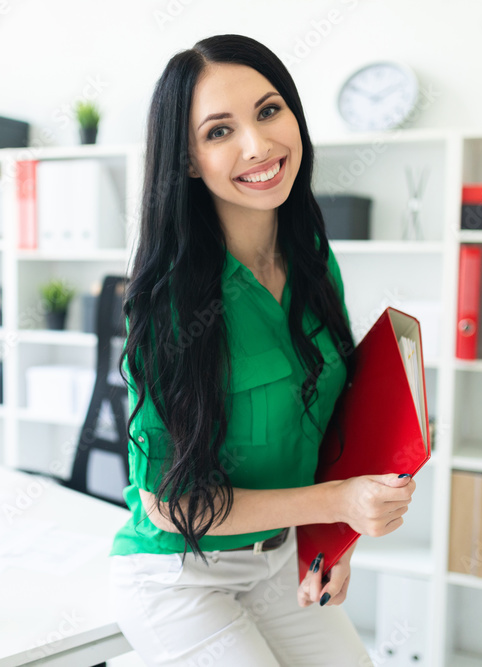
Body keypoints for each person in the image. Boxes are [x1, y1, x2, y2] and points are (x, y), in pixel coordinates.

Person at [108, 34, 417, 666]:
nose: (258, 146)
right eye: (219, 131)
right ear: (188, 159)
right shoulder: (171, 301)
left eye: (269, 111)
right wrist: (338, 504)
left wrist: (337, 544)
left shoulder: (313, 262)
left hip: (281, 558)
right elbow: (170, 504)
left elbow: (335, 431)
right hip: (179, 575)